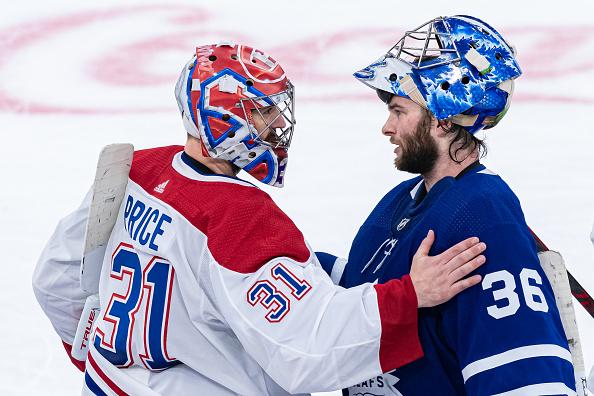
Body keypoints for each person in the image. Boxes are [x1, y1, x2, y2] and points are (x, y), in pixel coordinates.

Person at [32, 43, 487, 395]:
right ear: (221, 116)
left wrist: (104, 362)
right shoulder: (241, 218)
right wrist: (410, 295)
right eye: (262, 110)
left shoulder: (137, 171)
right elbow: (307, 349)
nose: (275, 124)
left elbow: (56, 280)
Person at [317, 16, 577, 395]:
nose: (387, 128)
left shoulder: (484, 218)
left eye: (399, 111)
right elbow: (363, 287)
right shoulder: (400, 202)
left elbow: (528, 381)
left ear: (441, 118)